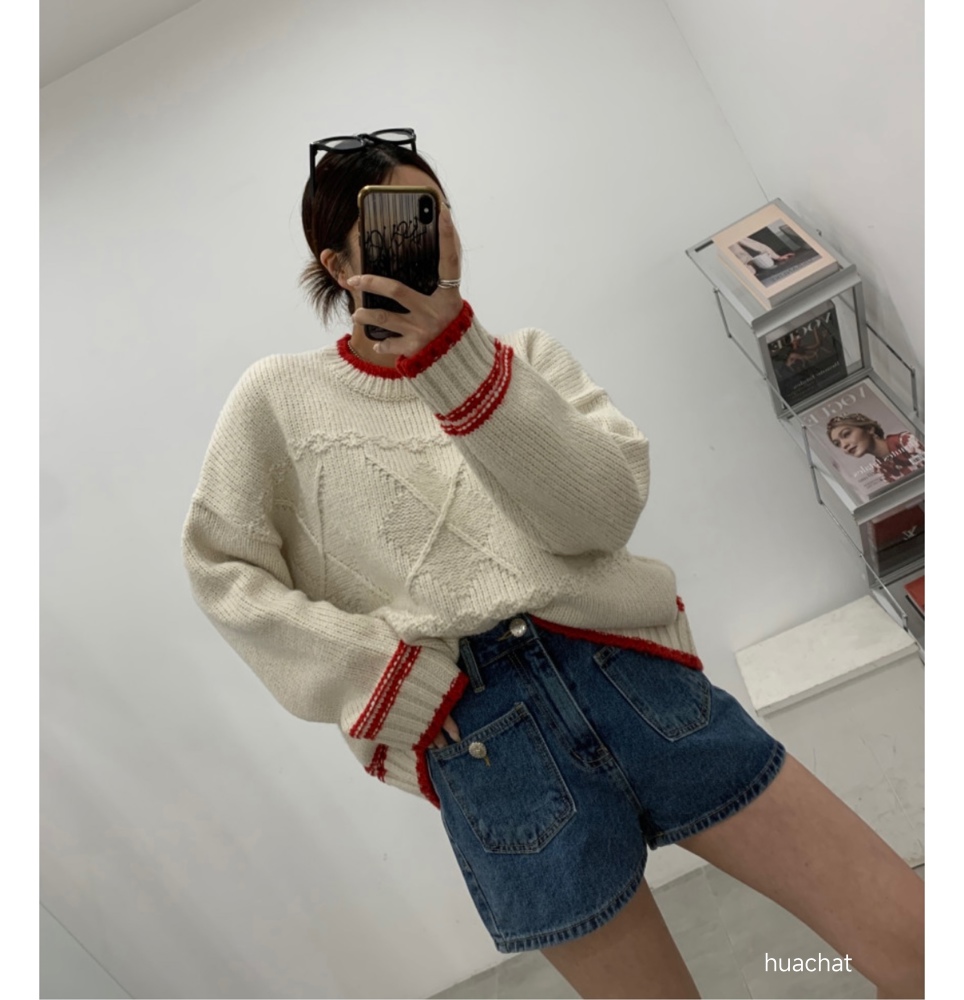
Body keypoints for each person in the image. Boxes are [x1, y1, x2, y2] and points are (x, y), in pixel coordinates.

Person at [182, 129, 924, 999]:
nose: (434, 234)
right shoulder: (277, 399)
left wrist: (457, 364)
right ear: (338, 263)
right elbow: (220, 567)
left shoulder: (525, 361)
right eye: (400, 220)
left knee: (916, 945)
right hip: (483, 738)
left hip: (630, 678)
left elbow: (601, 516)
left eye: (438, 210)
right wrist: (380, 680)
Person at [827, 412, 925, 484]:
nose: (844, 445)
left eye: (846, 434)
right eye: (837, 444)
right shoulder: (879, 469)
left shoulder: (907, 440)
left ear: (869, 429)